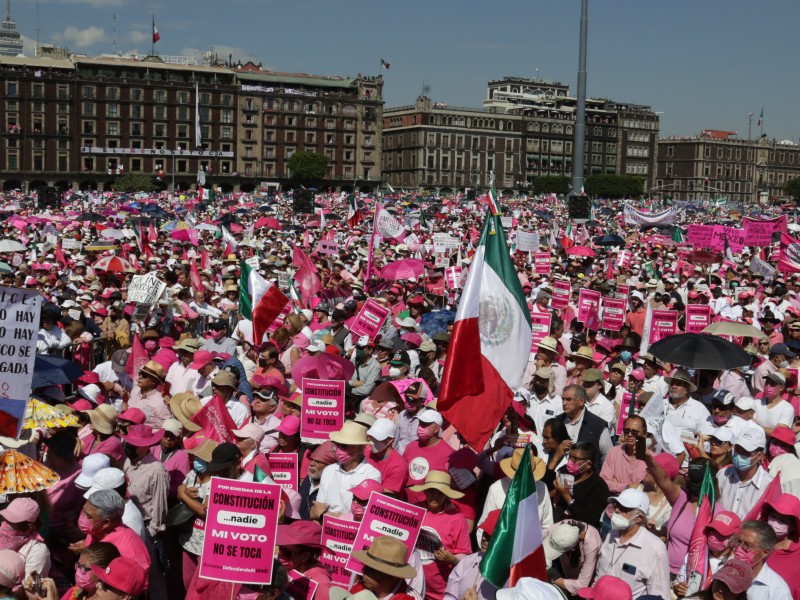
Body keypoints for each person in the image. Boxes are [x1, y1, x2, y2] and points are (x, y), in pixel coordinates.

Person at [595, 488, 670, 599]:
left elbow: (659, 595)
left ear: (639, 518)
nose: (616, 510)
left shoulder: (655, 549)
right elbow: (599, 573)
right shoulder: (611, 534)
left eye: (624, 508)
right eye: (616, 505)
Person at [408, 471, 472, 600]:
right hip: (410, 585)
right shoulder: (414, 510)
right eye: (431, 491)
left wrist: (452, 559)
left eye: (440, 492)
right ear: (425, 491)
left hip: (440, 592)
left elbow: (465, 554)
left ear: (446, 495)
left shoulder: (457, 519)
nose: (435, 496)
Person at [311, 421, 381, 518]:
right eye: (337, 444)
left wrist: (325, 514)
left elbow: (361, 517)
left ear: (360, 448)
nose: (338, 449)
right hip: (326, 527)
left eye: (344, 446)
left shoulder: (372, 474)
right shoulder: (329, 470)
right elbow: (316, 510)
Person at [77, 490, 151, 572]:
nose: (83, 517)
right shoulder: (95, 531)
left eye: (88, 516)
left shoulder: (131, 553)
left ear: (106, 523)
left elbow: (136, 582)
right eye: (83, 511)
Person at [178, 439, 217, 590]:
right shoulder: (193, 473)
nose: (196, 461)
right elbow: (179, 492)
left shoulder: (216, 481)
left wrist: (183, 494)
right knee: (188, 583)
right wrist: (183, 491)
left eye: (200, 458)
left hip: (204, 546)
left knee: (202, 588)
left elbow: (204, 511)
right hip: (188, 539)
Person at [673, 511, 740, 597]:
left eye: (721, 533)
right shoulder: (695, 554)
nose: (714, 535)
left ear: (734, 540)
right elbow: (677, 583)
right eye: (712, 530)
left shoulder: (736, 566)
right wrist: (678, 588)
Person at [120, 424, 170, 539]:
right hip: (126, 519)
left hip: (144, 526)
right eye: (128, 443)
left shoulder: (157, 471)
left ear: (145, 447)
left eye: (133, 444)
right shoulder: (128, 460)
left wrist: (150, 533)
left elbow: (160, 506)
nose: (129, 446)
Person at [717, 428, 774, 518]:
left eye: (745, 452)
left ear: (760, 456)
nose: (739, 455)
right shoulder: (723, 474)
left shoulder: (768, 485)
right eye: (737, 450)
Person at [443, 510, 500, 600]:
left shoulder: (508, 577)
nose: (484, 538)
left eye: (490, 536)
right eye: (484, 533)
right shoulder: (467, 562)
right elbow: (450, 595)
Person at [403, 410, 455, 506]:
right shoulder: (411, 445)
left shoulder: (449, 454)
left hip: (428, 509)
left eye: (425, 424)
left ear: (436, 429)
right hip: (404, 504)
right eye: (420, 423)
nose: (420, 427)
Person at [552, 442, 609, 528]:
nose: (569, 462)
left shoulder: (598, 487)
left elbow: (590, 519)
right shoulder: (564, 471)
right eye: (569, 457)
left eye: (575, 459)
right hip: (555, 526)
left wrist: (567, 496)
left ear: (588, 464)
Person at [731, 520, 791, 599]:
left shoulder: (778, 590)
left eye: (748, 545)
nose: (739, 548)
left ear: (765, 553)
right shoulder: (723, 570)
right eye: (739, 542)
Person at [275, 520, 332, 600]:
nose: (280, 554)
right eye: (281, 548)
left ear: (305, 556)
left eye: (287, 551)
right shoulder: (288, 570)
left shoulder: (321, 585)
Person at [349, 536, 419, 600]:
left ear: (392, 576)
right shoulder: (359, 588)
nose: (363, 570)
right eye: (365, 565)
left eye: (371, 569)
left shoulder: (410, 598)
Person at [544, 520, 602, 597]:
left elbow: (582, 585)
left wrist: (553, 578)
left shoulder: (591, 544)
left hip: (581, 576)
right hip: (566, 570)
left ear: (572, 549)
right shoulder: (556, 528)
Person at [557, 384, 612, 465]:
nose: (564, 403)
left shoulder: (598, 426)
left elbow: (608, 457)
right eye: (563, 399)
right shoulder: (557, 421)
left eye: (568, 399)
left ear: (581, 401)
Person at [761, 494, 800, 598]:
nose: (775, 522)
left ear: (792, 527)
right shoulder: (756, 541)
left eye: (782, 521)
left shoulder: (797, 556)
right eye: (773, 516)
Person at [0, 497, 50, 577]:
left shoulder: (38, 550)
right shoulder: (2, 537)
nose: (5, 524)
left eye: (11, 521)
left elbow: (29, 585)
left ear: (28, 526)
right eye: (5, 518)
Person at [600, 416, 647, 494]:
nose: (629, 434)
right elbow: (603, 482)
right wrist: (626, 487)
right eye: (626, 431)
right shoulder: (614, 452)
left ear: (644, 434)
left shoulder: (651, 459)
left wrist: (615, 483)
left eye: (634, 432)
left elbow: (647, 488)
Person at [365, 418, 407, 497]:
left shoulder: (398, 466)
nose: (373, 441)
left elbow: (385, 496)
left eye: (378, 438)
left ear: (390, 440)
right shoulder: (366, 450)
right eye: (371, 436)